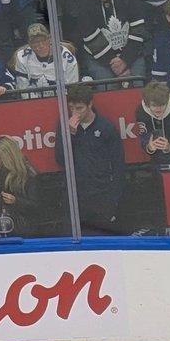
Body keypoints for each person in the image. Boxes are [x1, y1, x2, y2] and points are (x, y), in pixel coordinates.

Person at [54, 84, 125, 235]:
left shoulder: (106, 127)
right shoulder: (64, 125)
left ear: (90, 104)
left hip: (100, 196)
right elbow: (61, 159)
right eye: (71, 108)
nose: (75, 113)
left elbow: (118, 164)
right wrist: (70, 135)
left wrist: (113, 200)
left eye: (79, 108)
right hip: (75, 197)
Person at [68, 0, 149, 82]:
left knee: (137, 81)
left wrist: (125, 60)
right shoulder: (84, 5)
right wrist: (115, 64)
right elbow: (90, 37)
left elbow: (138, 30)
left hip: (132, 53)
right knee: (107, 85)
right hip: (98, 57)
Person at [0, 134, 41, 238]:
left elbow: (38, 207)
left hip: (26, 232)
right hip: (4, 229)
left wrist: (16, 201)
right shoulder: (1, 175)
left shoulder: (30, 175)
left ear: (8, 155)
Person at [11, 23, 79, 93]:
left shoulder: (67, 58)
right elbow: (23, 88)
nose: (41, 45)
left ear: (49, 39)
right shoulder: (22, 57)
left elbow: (72, 88)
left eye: (43, 40)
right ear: (30, 44)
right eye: (36, 42)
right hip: (33, 102)